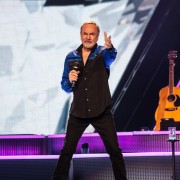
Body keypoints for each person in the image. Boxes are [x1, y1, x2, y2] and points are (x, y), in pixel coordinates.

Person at [51, 21, 127, 180]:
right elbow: (65, 87)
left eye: (92, 34)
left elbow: (111, 57)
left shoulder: (102, 53)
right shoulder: (71, 57)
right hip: (78, 111)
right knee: (66, 151)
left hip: (101, 110)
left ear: (97, 36)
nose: (88, 37)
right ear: (80, 35)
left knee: (114, 150)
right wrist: (69, 80)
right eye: (85, 33)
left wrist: (110, 47)